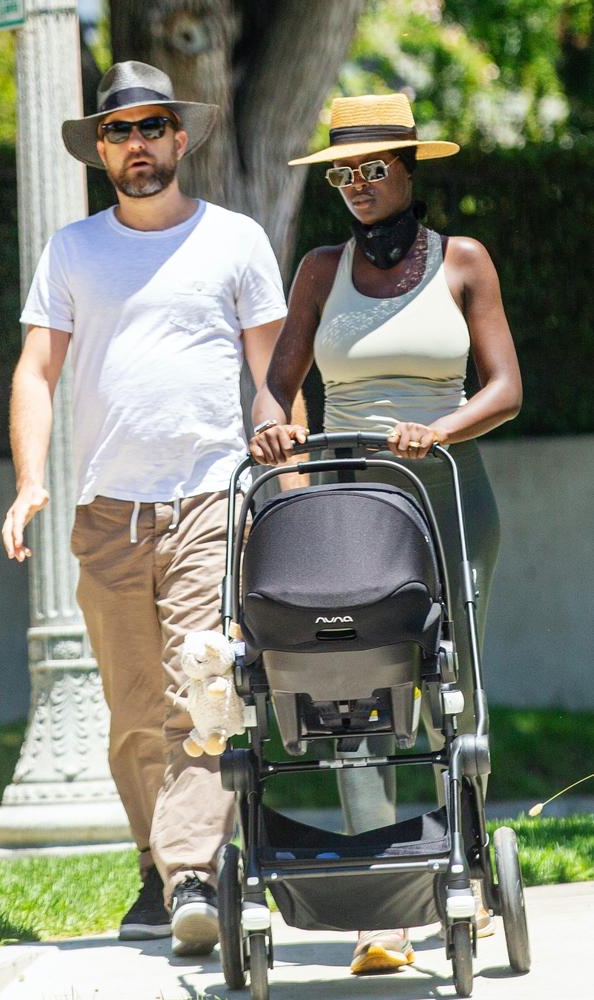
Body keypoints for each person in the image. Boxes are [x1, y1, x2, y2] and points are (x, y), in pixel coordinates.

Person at [1, 60, 297, 956]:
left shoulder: (235, 239)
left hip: (210, 495)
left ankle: (197, 871)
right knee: (133, 711)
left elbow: (273, 376)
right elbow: (36, 372)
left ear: (181, 138)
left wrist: (288, 487)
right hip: (107, 514)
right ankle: (156, 864)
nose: (139, 144)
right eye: (121, 131)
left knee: (204, 687)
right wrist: (30, 481)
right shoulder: (72, 251)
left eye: (153, 127)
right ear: (102, 149)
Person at [250, 93, 522, 975]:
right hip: (350, 507)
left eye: (372, 170)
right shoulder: (321, 272)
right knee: (349, 689)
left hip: (443, 492)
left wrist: (438, 430)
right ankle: (386, 905)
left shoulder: (464, 261)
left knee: (453, 691)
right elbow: (277, 380)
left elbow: (505, 388)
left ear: (409, 169)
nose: (357, 187)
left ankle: (468, 871)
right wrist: (274, 429)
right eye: (342, 174)